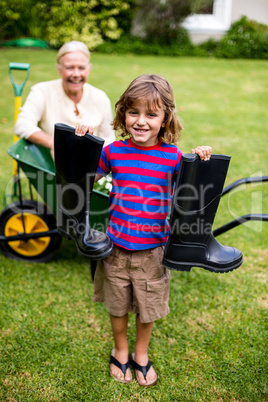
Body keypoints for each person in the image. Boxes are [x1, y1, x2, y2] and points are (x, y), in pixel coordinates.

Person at [75, 74, 212, 386]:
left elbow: (193, 194)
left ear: (165, 119)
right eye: (133, 112)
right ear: (123, 113)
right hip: (115, 249)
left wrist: (201, 160)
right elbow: (80, 180)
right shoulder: (113, 152)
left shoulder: (174, 157)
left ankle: (140, 354)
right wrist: (81, 142)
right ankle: (120, 350)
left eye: (151, 114)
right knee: (117, 304)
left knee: (147, 309)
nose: (140, 121)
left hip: (153, 251)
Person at [14, 41, 115, 159]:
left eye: (81, 68)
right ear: (59, 69)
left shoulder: (100, 98)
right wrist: (53, 144)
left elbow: (108, 140)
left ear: (88, 69)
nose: (76, 74)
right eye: (69, 67)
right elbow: (23, 124)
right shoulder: (41, 91)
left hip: (91, 168)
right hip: (53, 166)